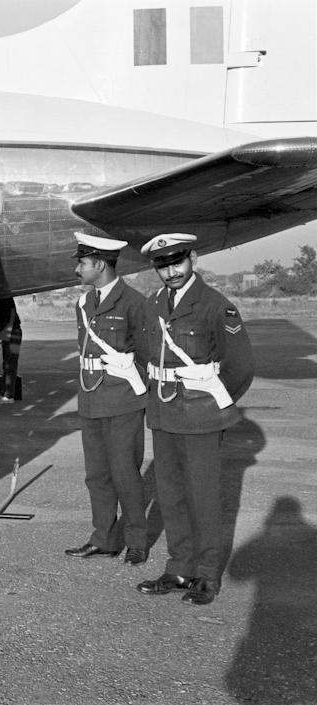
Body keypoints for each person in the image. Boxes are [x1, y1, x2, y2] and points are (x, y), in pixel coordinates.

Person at [135, 233, 254, 606]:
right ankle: (179, 567)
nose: (170, 271)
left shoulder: (216, 306)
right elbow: (144, 353)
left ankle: (206, 575)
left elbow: (240, 367)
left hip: (200, 416)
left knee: (202, 498)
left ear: (194, 259)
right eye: (163, 265)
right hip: (163, 413)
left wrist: (213, 402)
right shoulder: (153, 303)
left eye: (177, 262)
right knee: (170, 496)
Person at [64, 233, 150, 567]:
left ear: (99, 264)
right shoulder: (84, 304)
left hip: (123, 401)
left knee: (125, 474)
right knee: (96, 475)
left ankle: (136, 541)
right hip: (90, 399)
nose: (77, 270)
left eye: (82, 263)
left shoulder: (134, 303)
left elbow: (147, 357)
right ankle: (104, 539)